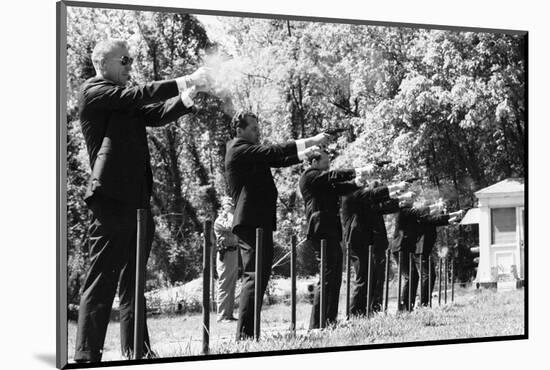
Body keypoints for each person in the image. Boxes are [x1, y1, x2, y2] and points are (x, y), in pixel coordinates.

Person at [74, 38, 212, 363]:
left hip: (137, 200)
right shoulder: (95, 91)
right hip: (109, 201)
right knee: (102, 278)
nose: (130, 65)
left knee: (134, 282)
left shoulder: (121, 99)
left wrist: (188, 96)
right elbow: (140, 95)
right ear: (104, 63)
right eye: (125, 60)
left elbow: (156, 112)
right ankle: (84, 355)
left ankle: (138, 351)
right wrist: (187, 79)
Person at [225, 111, 328, 340]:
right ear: (239, 130)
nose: (257, 131)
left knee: (259, 276)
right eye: (253, 128)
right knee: (254, 275)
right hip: (250, 221)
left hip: (257, 221)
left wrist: (305, 154)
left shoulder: (248, 152)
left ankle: (250, 333)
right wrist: (312, 140)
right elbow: (273, 152)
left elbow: (278, 159)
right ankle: (245, 336)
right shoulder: (238, 148)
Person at [299, 150, 372, 329]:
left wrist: (356, 182)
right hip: (321, 228)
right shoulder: (310, 176)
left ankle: (330, 321)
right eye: (326, 160)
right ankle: (317, 324)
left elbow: (339, 188)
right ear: (314, 161)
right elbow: (332, 176)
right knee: (327, 277)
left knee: (334, 277)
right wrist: (357, 169)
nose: (329, 164)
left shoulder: (322, 180)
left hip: (330, 229)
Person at [341, 179, 412, 316]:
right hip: (358, 241)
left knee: (370, 278)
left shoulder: (365, 200)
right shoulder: (354, 194)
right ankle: (354, 313)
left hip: (366, 241)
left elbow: (383, 206)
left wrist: (400, 199)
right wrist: (397, 189)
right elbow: (375, 199)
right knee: (363, 278)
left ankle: (364, 312)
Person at [413, 205, 464, 306]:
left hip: (425, 251)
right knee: (427, 275)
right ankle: (422, 303)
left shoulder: (428, 220)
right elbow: (438, 219)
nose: (436, 211)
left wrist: (453, 219)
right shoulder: (424, 217)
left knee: (430, 275)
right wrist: (456, 213)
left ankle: (424, 302)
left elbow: (440, 220)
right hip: (420, 251)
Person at [213, 196, 240, 322]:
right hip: (225, 254)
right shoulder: (219, 221)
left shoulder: (232, 216)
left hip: (234, 252)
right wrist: (230, 212)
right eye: (229, 204)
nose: (232, 206)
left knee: (232, 284)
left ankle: (229, 314)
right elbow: (231, 226)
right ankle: (222, 316)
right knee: (224, 285)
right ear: (223, 207)